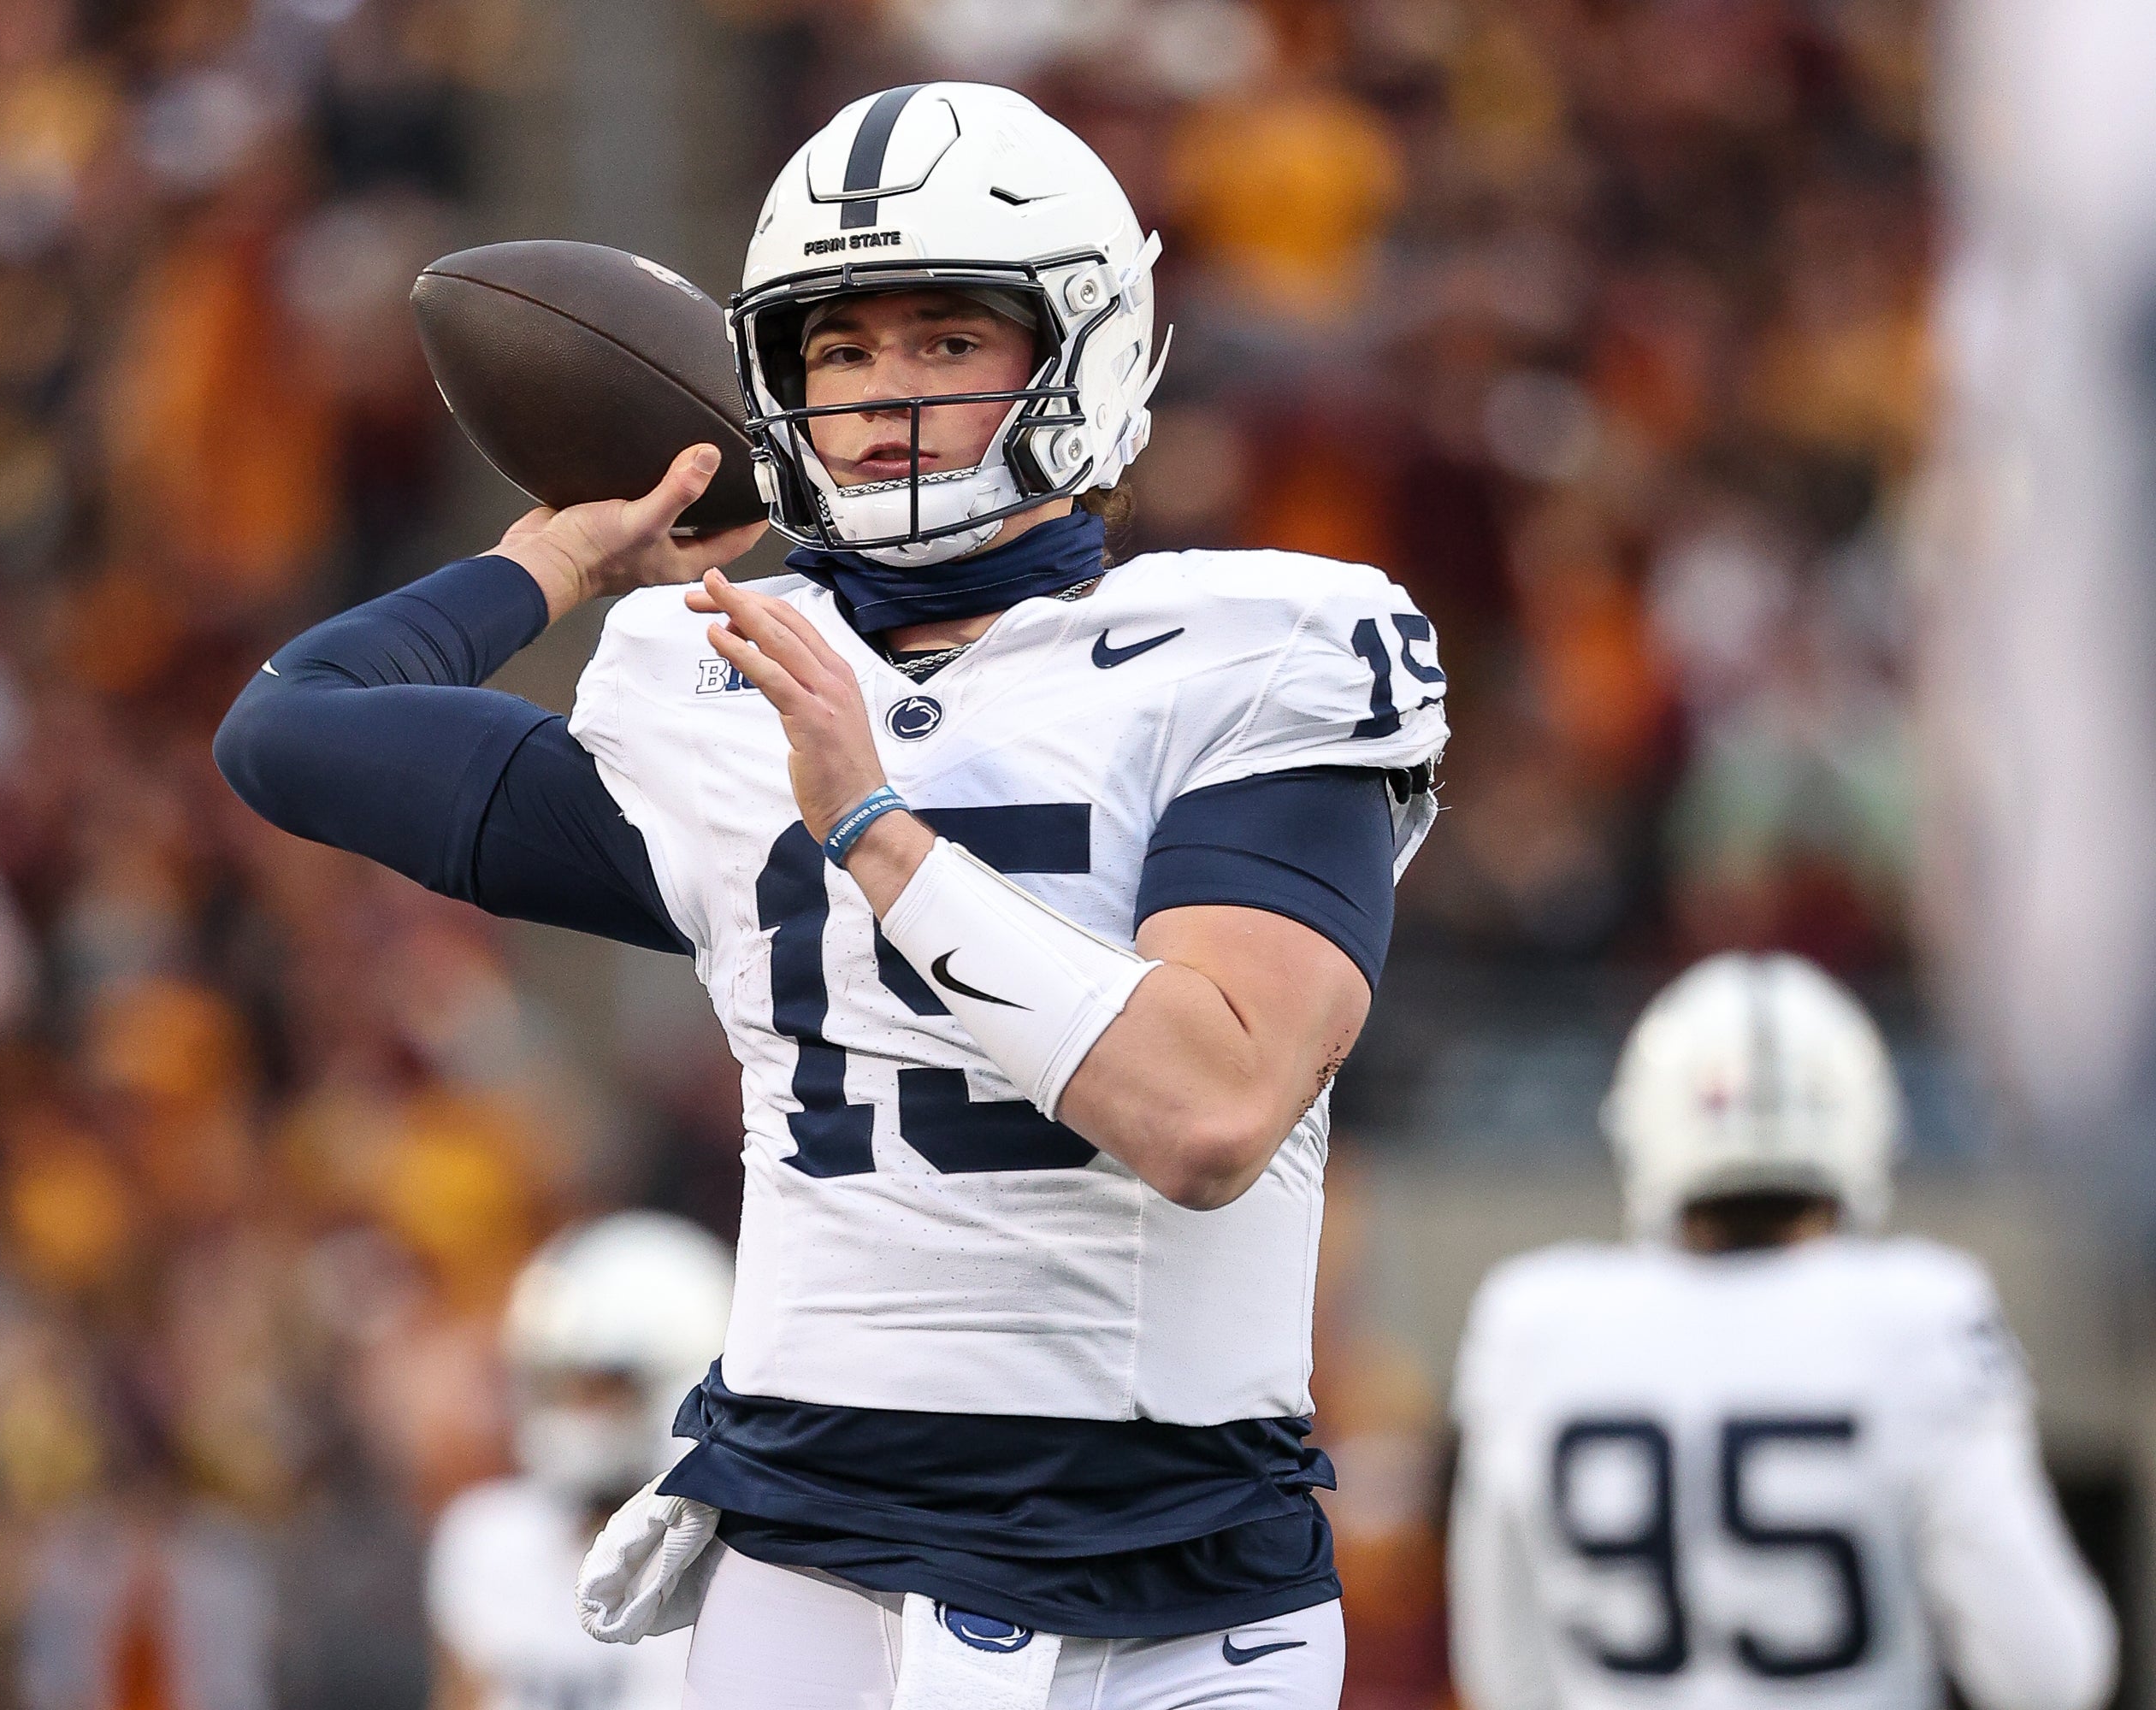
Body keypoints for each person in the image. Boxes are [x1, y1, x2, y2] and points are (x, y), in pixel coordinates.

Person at [216, 81, 1446, 1708]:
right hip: (816, 1544)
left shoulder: (1254, 647)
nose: (887, 399)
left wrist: (877, 828)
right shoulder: (714, 673)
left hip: (1176, 1575)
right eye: (840, 350)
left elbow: (1211, 1109)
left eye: (949, 341)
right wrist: (561, 557)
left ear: (1083, 345)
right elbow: (293, 728)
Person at [1447, 953, 2117, 1710]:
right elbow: (2049, 1671)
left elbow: (1502, 1675)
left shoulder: (1534, 1321)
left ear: (1642, 1122)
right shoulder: (1921, 1314)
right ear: (1863, 1118)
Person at [428, 1213, 734, 1710]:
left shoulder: (735, 1564)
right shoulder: (490, 1538)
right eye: (556, 1383)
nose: (571, 1413)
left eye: (599, 1386)